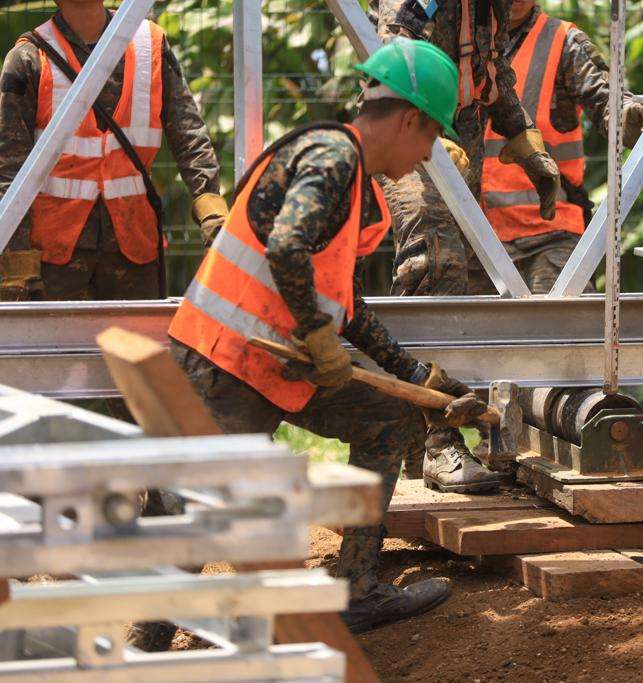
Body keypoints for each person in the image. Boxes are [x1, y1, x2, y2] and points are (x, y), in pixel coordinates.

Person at [168, 39, 481, 633]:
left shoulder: (351, 175)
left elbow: (343, 303)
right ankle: (142, 647)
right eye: (432, 136)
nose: (428, 153)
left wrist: (415, 376)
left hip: (278, 363)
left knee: (386, 422)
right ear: (410, 118)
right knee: (191, 518)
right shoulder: (332, 157)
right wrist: (318, 337)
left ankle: (357, 590)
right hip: (226, 363)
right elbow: (287, 246)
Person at [371, 0, 557, 491]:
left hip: (461, 133)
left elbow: (490, 70)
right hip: (406, 126)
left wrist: (526, 143)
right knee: (436, 261)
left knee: (469, 278)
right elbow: (394, 47)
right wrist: (428, 128)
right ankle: (439, 445)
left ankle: (421, 438)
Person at [0, 0, 225, 301]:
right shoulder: (29, 58)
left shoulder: (150, 46)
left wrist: (210, 206)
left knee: (137, 347)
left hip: (133, 247)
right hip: (54, 256)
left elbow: (187, 133)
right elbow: (9, 166)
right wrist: (15, 260)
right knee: (57, 348)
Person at [466, 0, 643, 295]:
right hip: (476, 234)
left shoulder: (562, 41)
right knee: (464, 332)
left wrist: (626, 115)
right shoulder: (460, 39)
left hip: (550, 234)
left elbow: (604, 97)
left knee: (562, 327)